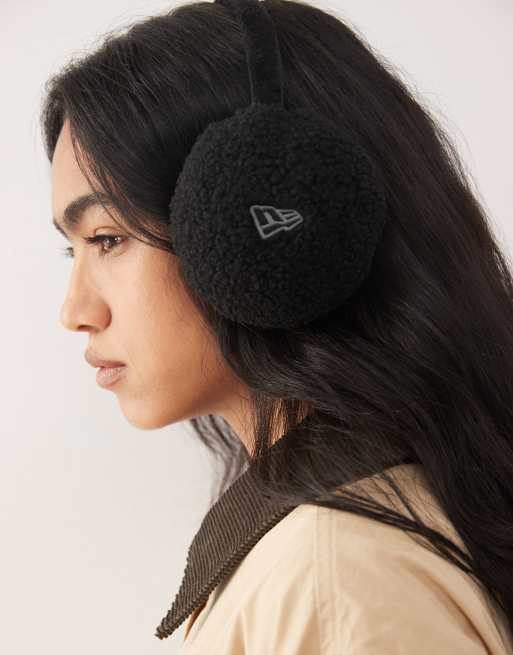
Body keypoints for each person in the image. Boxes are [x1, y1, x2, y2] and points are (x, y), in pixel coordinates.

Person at [41, 0, 513, 652]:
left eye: (107, 238)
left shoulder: (338, 578)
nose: (75, 311)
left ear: (260, 225)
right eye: (73, 249)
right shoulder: (334, 554)